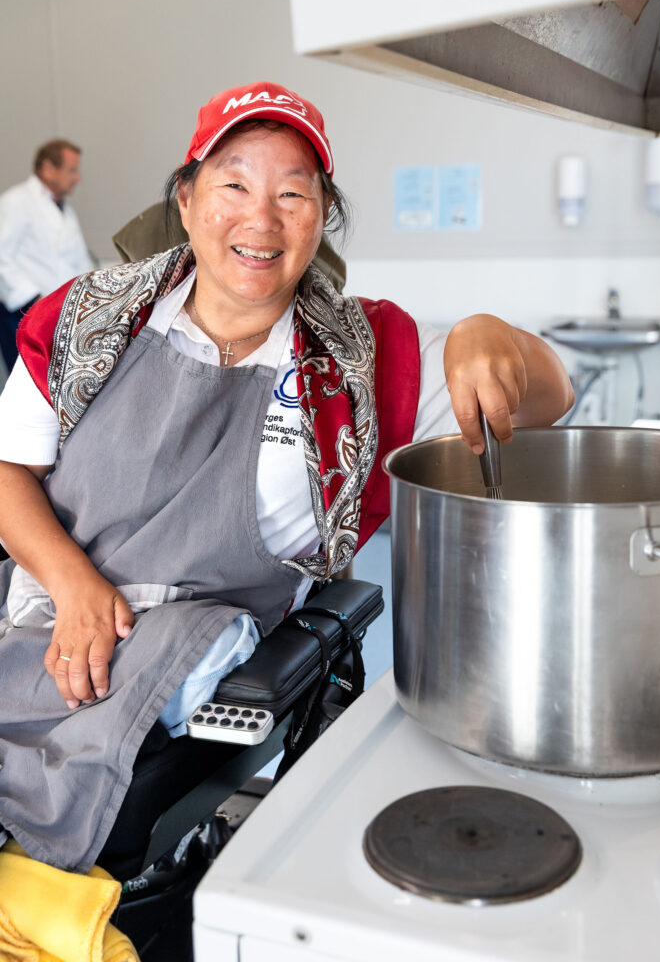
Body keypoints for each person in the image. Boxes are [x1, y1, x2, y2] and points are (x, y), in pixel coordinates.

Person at [0, 81, 574, 889]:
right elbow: (7, 472)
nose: (259, 219)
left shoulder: (362, 362)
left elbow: (553, 394)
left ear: (321, 217)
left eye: (292, 194)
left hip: (187, 660)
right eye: (234, 185)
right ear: (188, 198)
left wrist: (490, 334)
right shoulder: (85, 319)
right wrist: (72, 584)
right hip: (45, 619)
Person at [0, 139, 91, 373]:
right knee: (29, 387)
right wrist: (34, 299)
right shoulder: (17, 201)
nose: (77, 178)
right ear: (49, 168)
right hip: (23, 312)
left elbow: (79, 262)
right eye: (72, 170)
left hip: (57, 315)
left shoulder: (65, 211)